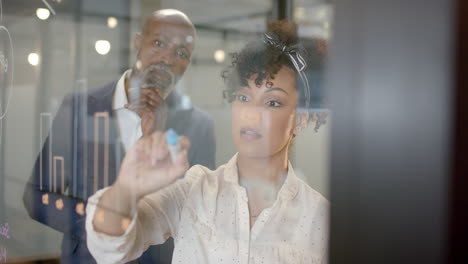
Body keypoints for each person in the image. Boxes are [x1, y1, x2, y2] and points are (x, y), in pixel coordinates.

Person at [86, 20, 328, 264]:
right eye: (244, 97)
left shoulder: (322, 219)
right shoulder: (194, 190)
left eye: (272, 102)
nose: (251, 114)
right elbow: (109, 246)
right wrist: (127, 188)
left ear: (300, 120)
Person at [22, 9, 216, 264]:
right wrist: (104, 227)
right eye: (158, 43)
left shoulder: (199, 125)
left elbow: (199, 214)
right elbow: (36, 196)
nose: (167, 58)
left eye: (181, 53)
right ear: (138, 43)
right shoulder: (79, 108)